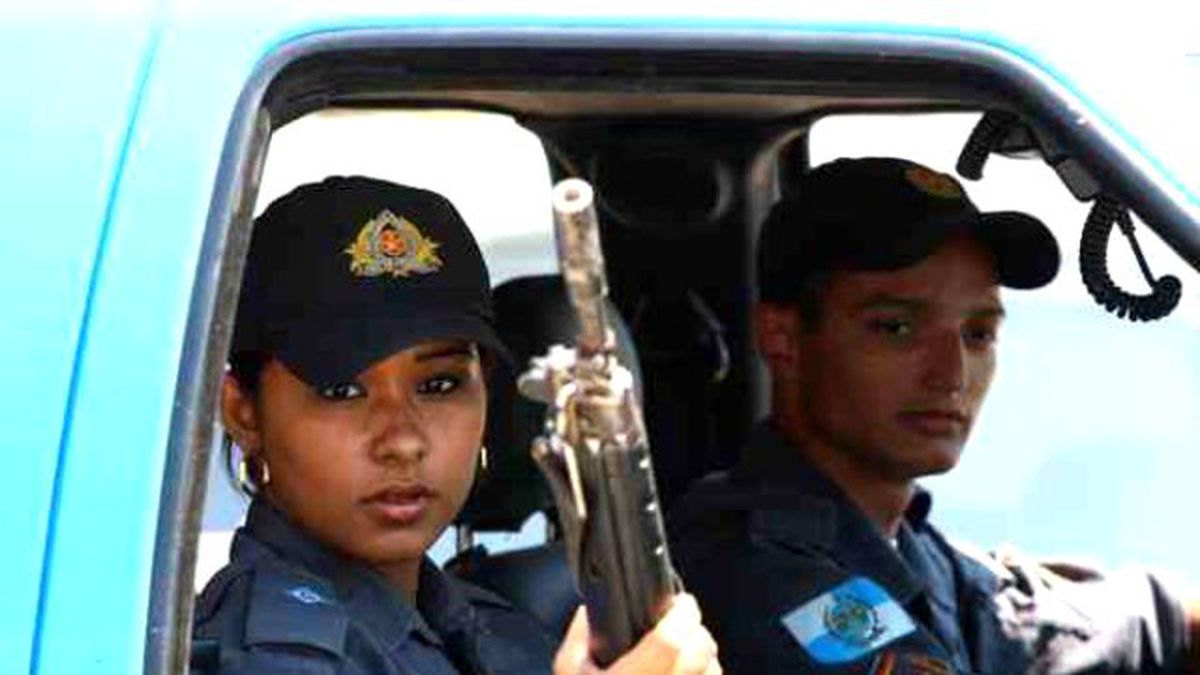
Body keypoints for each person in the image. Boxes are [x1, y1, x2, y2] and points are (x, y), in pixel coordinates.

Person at [668, 157, 1198, 674]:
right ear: (782, 337)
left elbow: (1074, 624)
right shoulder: (767, 576)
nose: (952, 374)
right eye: (896, 327)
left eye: (978, 334)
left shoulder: (906, 547)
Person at [193, 176, 722, 675]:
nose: (403, 441)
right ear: (243, 412)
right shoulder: (260, 658)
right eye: (342, 391)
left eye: (439, 385)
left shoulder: (501, 628)